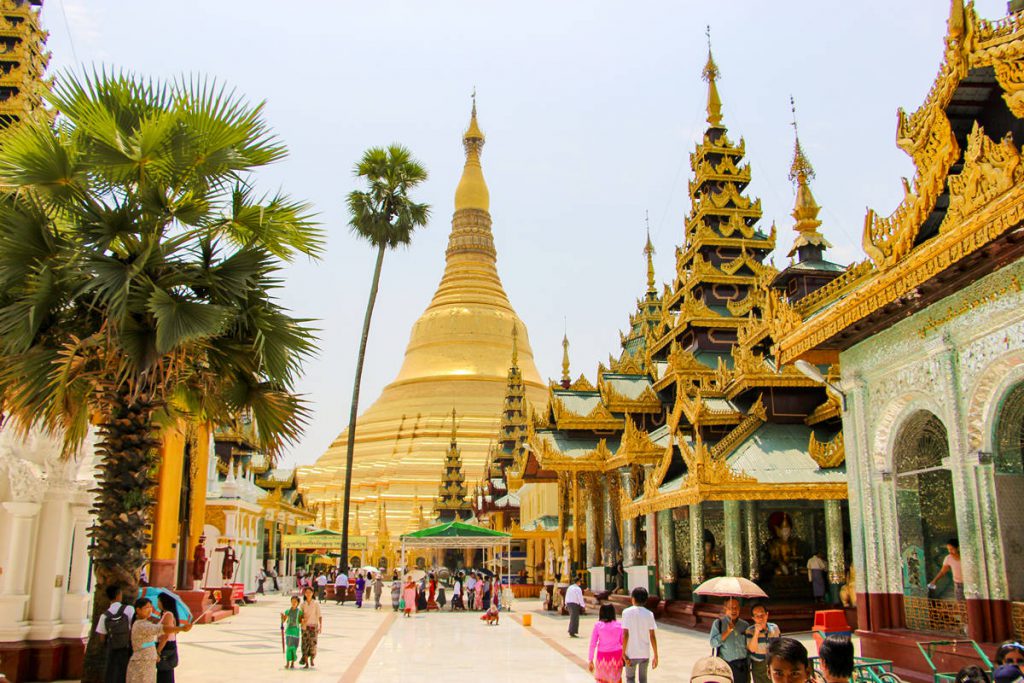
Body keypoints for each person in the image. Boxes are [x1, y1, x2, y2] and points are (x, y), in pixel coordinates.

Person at [126, 597, 190, 683]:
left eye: (150, 607)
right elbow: (161, 629)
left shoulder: (146, 623)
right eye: (146, 608)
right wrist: (181, 628)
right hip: (141, 664)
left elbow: (147, 642)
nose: (150, 610)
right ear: (138, 610)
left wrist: (155, 652)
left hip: (148, 663)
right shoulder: (140, 625)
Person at [97, 584, 135, 683]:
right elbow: (134, 627)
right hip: (126, 646)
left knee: (112, 671)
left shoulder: (104, 616)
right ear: (119, 595)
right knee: (125, 671)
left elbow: (102, 637)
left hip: (112, 647)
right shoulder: (129, 609)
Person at [622, 586, 658, 683]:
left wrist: (623, 653)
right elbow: (652, 636)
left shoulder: (626, 612)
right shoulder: (649, 614)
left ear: (633, 598)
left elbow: (625, 634)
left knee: (630, 678)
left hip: (631, 652)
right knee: (643, 680)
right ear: (646, 600)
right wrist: (656, 655)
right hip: (644, 653)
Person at [711, 598, 751, 683]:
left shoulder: (745, 625)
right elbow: (713, 643)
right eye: (730, 607)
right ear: (725, 609)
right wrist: (727, 632)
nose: (734, 610)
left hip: (742, 666)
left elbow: (748, 646)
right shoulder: (719, 623)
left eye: (736, 607)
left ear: (739, 609)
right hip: (726, 665)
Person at [745, 603, 781, 683]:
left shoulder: (774, 628)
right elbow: (752, 649)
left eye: (762, 614)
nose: (760, 617)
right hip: (759, 665)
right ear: (753, 618)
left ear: (767, 614)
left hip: (773, 663)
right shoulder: (750, 630)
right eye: (757, 616)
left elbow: (779, 646)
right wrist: (756, 633)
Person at [588, 603, 624, 683]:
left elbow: (592, 644)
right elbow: (623, 642)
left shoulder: (598, 625)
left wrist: (590, 660)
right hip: (617, 656)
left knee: (602, 679)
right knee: (616, 678)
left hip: (602, 656)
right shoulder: (619, 625)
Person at [155, 593, 182, 683]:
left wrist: (158, 651)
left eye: (159, 601)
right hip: (167, 646)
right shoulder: (165, 614)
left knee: (164, 673)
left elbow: (165, 636)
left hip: (165, 647)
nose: (157, 603)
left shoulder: (168, 615)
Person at [298, 586, 322, 669]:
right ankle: (306, 662)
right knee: (305, 645)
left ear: (313, 593)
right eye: (307, 592)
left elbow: (319, 615)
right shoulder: (303, 604)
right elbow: (300, 616)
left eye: (310, 592)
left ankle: (312, 658)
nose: (308, 594)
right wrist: (301, 620)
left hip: (313, 626)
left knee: (313, 644)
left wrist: (320, 626)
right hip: (305, 627)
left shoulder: (316, 603)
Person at [281, 595, 303, 669]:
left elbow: (300, 621)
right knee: (289, 647)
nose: (293, 603)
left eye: (295, 602)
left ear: (297, 603)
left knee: (294, 648)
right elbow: (284, 620)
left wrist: (303, 621)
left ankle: (293, 663)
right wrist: (282, 617)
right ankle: (287, 663)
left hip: (296, 632)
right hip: (289, 631)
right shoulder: (287, 611)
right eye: (292, 601)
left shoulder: (299, 612)